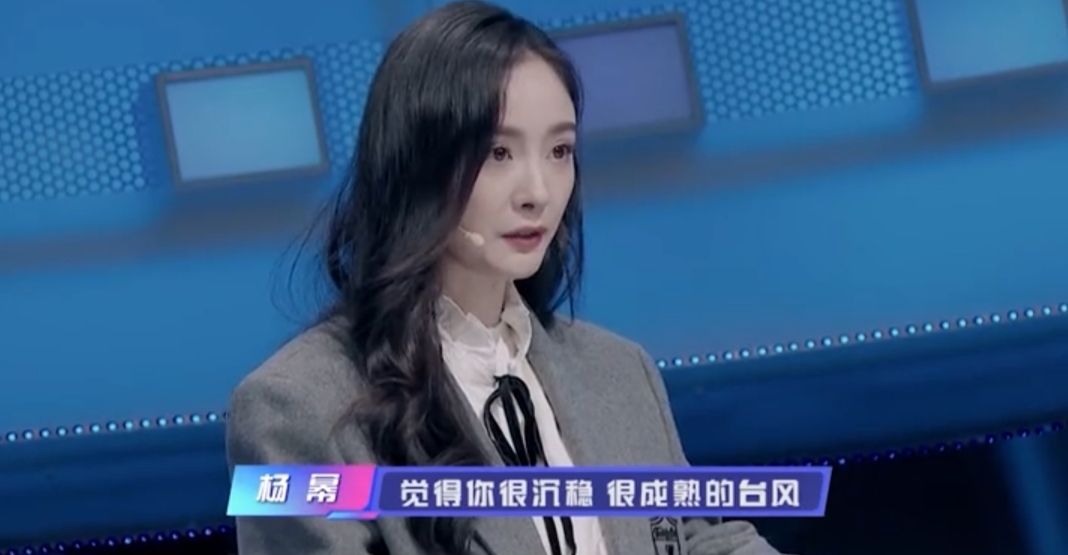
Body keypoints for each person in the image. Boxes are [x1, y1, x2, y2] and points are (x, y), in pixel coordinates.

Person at [226, 1, 792, 554]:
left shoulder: (621, 371)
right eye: (498, 152)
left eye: (559, 150)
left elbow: (694, 536)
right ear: (416, 160)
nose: (538, 192)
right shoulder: (294, 409)